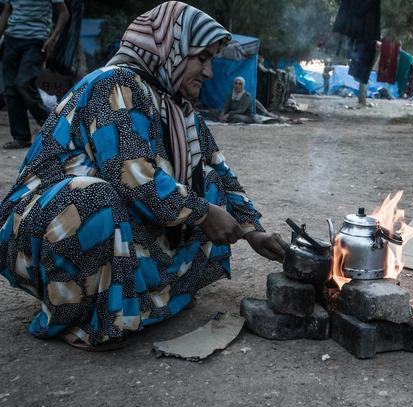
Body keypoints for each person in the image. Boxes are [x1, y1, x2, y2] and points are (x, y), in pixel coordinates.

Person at [0, 1, 288, 350]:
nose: (209, 72)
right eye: (202, 57)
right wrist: (202, 212)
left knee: (208, 185)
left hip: (109, 213)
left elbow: (222, 172)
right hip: (38, 227)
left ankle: (146, 298)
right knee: (96, 198)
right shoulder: (114, 84)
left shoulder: (179, 109)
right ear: (171, 49)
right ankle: (76, 317)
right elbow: (132, 177)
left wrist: (253, 229)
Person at [0, 0, 69, 149]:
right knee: (10, 90)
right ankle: (21, 137)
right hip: (11, 39)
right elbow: (6, 11)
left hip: (36, 40)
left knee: (23, 83)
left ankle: (54, 127)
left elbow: (64, 13)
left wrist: (53, 38)